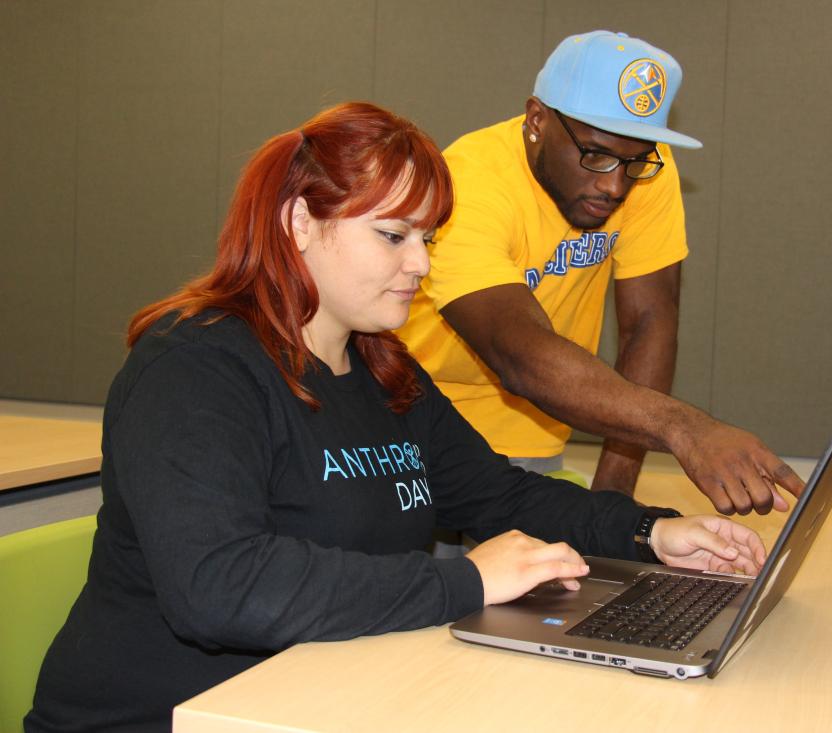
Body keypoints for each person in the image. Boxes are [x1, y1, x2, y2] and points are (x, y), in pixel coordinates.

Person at [25, 102, 768, 732]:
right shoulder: (193, 369)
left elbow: (499, 495)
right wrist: (464, 583)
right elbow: (221, 585)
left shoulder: (383, 367)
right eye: (393, 235)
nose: (421, 264)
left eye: (428, 239)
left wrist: (650, 532)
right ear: (299, 224)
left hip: (324, 698)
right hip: (169, 715)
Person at [396, 31, 804, 516]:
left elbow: (650, 321)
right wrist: (683, 427)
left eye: (632, 161)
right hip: (412, 414)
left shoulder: (644, 167)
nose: (613, 185)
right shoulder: (468, 185)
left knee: (540, 585)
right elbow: (516, 351)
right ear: (537, 120)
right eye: (594, 154)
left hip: (535, 419)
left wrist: (612, 500)